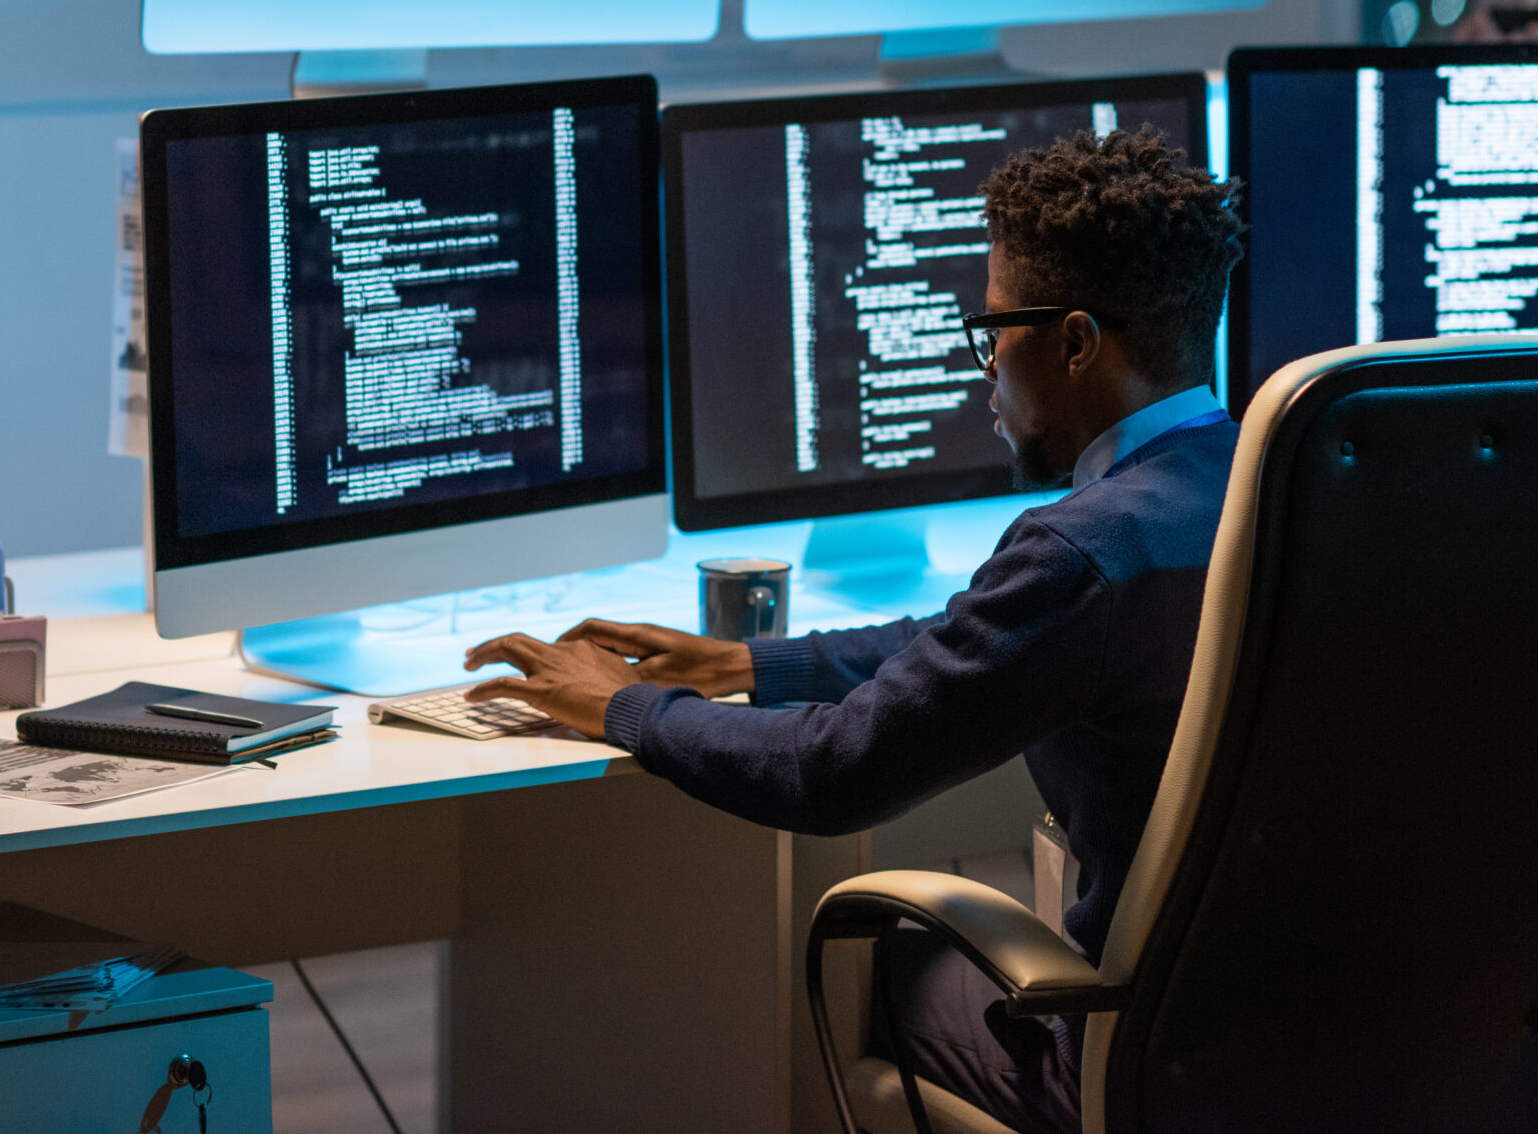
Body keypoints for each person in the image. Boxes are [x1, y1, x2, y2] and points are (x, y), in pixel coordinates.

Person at [463, 128, 1245, 1134]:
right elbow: (982, 636)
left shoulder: (1080, 550)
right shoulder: (1288, 485)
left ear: (1076, 341)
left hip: (1133, 1067)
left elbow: (832, 770)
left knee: (879, 969)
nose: (984, 370)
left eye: (992, 328)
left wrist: (626, 706)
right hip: (1336, 1055)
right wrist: (754, 661)